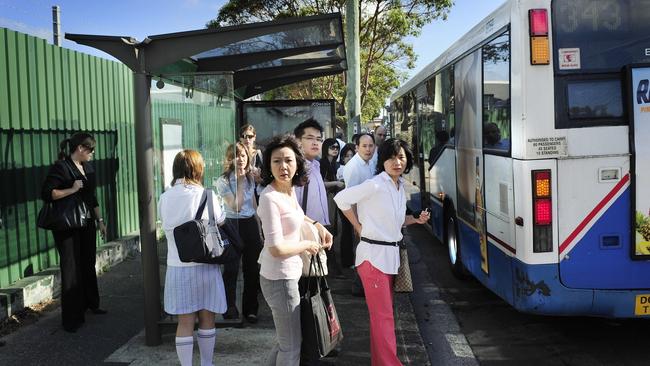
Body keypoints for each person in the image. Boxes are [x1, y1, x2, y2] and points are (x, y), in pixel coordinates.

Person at [334, 138, 430, 366]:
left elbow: (395, 222)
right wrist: (358, 226)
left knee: (382, 317)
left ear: (407, 161)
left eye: (401, 157)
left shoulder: (398, 185)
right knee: (383, 317)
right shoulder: (376, 184)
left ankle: (381, 362)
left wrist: (415, 219)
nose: (396, 162)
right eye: (391, 157)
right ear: (383, 160)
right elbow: (341, 199)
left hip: (390, 257)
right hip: (373, 258)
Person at [257, 134, 333, 365]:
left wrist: (317, 225)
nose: (283, 166)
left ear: (297, 163)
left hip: (290, 275)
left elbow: (297, 216)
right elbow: (276, 248)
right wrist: (307, 244)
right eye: (276, 161)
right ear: (269, 165)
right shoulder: (269, 197)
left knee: (286, 343)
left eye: (288, 160)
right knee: (291, 348)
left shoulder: (287, 191)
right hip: (279, 278)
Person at [158, 150, 227, 366]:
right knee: (207, 318)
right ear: (198, 169)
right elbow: (221, 221)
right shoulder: (207, 195)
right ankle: (207, 363)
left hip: (178, 267)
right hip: (205, 265)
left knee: (185, 321)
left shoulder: (165, 197)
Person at [40, 133, 108, 333]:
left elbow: (91, 197)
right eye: (91, 150)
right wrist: (71, 189)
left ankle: (91, 304)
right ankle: (71, 318)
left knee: (87, 262)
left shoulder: (88, 168)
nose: (93, 154)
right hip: (67, 225)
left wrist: (100, 221)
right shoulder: (61, 167)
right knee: (71, 268)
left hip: (86, 223)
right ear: (80, 148)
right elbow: (47, 193)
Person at [216, 143, 264, 323]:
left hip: (250, 223)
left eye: (243, 155)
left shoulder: (251, 178)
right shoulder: (223, 181)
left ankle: (250, 309)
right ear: (229, 159)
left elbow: (253, 204)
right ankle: (229, 307)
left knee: (252, 269)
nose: (240, 159)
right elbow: (235, 206)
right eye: (235, 156)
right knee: (231, 269)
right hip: (231, 224)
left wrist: (260, 227)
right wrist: (241, 181)